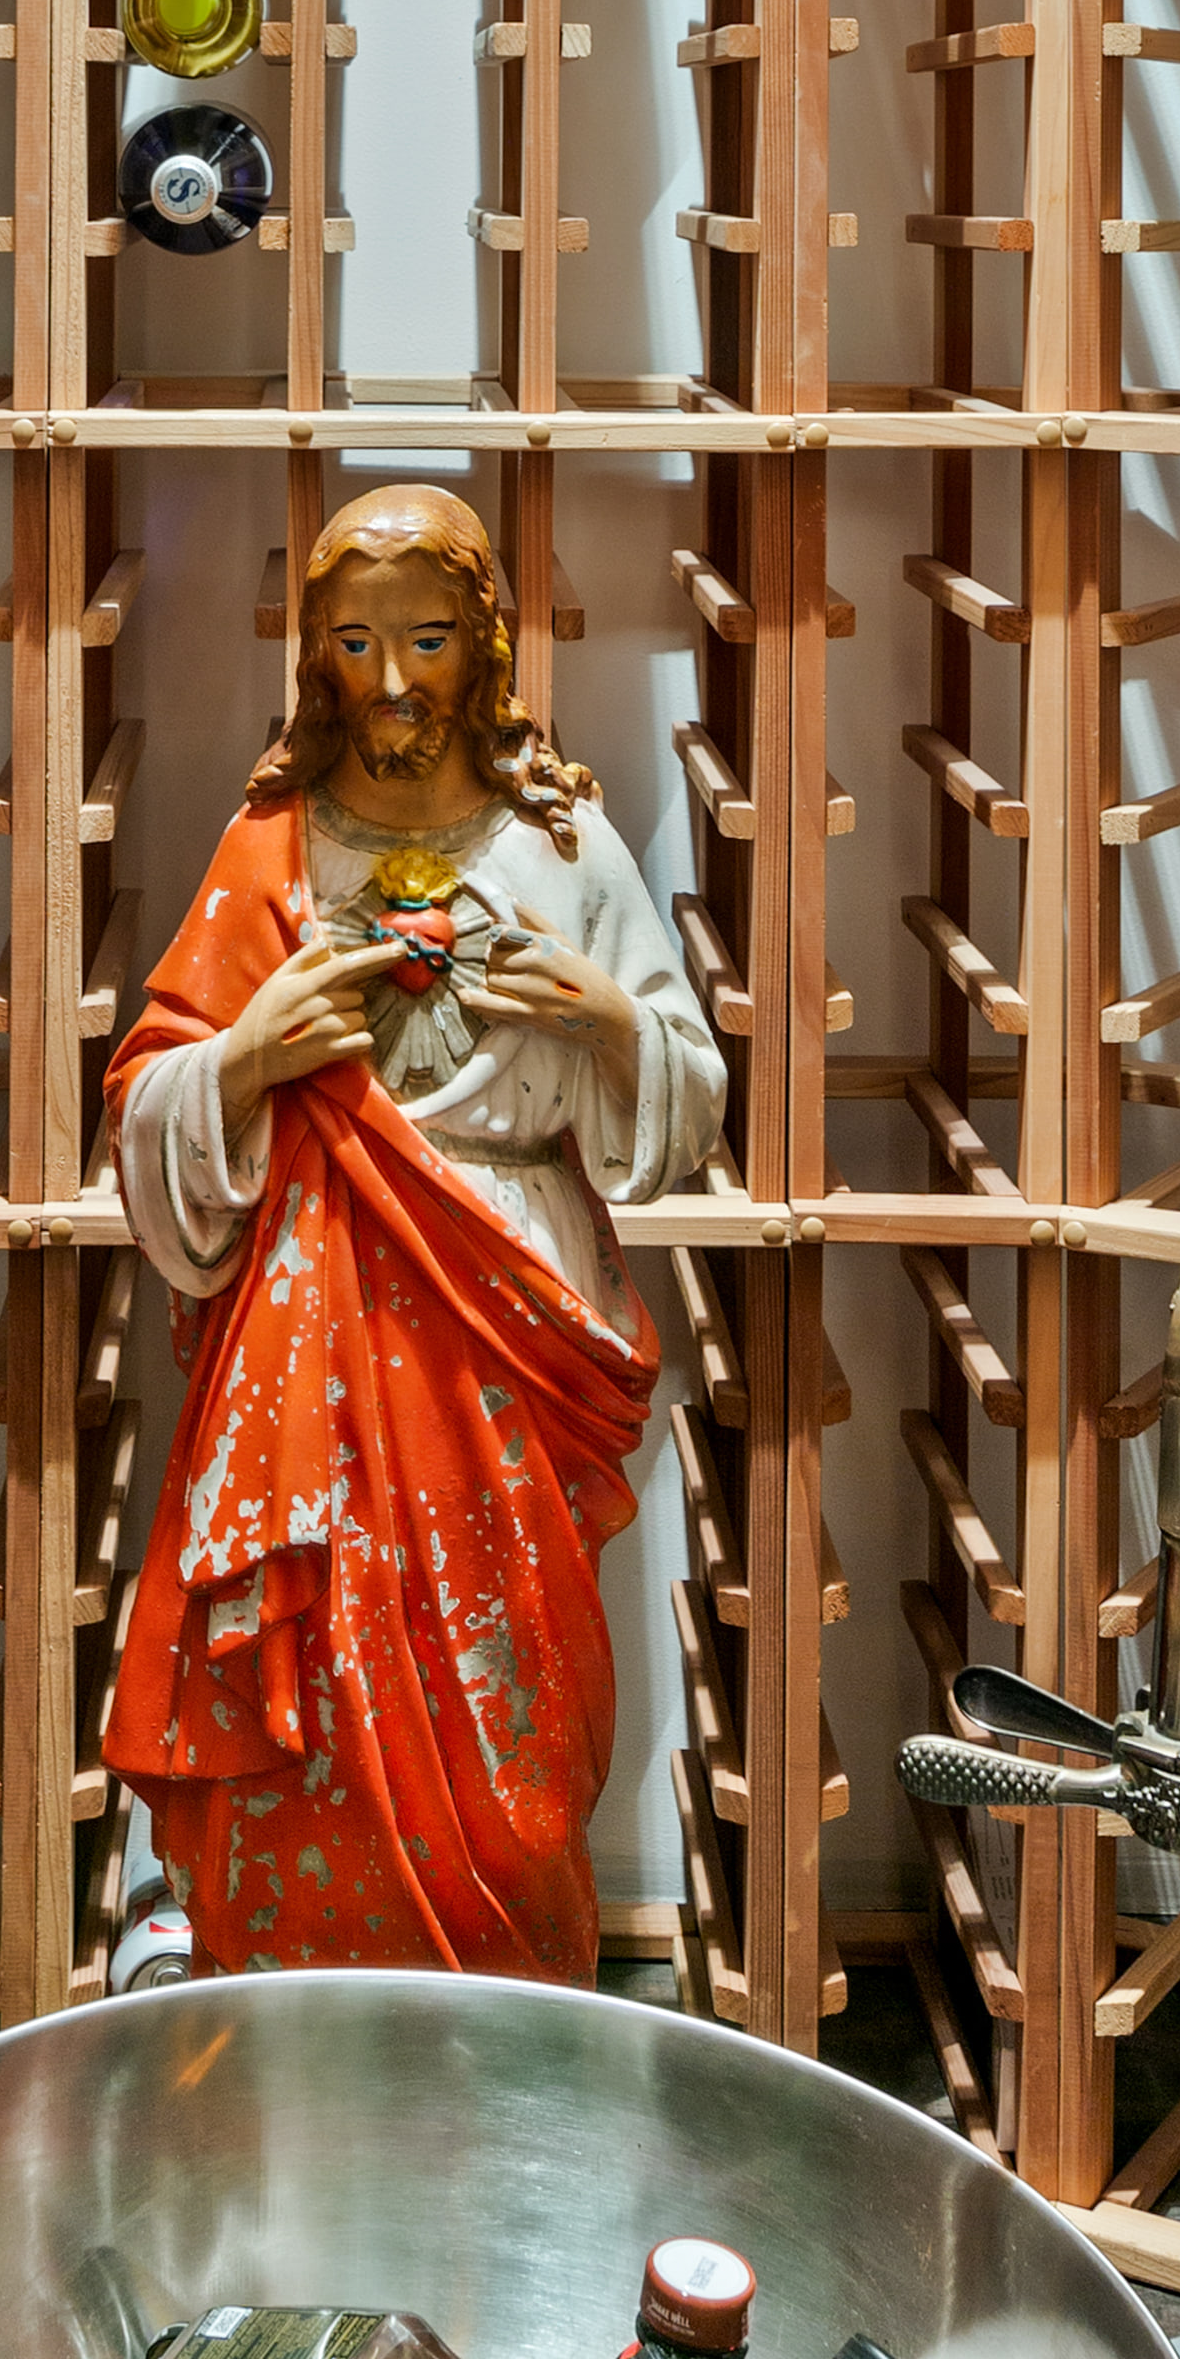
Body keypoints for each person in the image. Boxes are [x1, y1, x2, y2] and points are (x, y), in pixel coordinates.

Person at [106, 484, 723, 1983]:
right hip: (309, 1337)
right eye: (358, 642)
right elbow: (144, 1099)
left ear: (485, 649)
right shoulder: (273, 846)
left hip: (509, 1304)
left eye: (429, 639)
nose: (392, 682)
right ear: (315, 656)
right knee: (314, 1677)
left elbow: (689, 1092)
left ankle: (509, 2008)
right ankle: (300, 2031)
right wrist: (250, 1057)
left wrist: (608, 1023)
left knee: (507, 1734)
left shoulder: (559, 846)